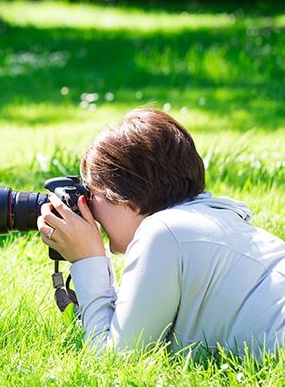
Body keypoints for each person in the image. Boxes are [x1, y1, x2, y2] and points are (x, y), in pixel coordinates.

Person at [37, 108, 285, 357]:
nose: (89, 207)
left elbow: (116, 360)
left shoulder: (163, 231)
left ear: (123, 195)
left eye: (92, 193)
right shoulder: (214, 218)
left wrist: (87, 260)